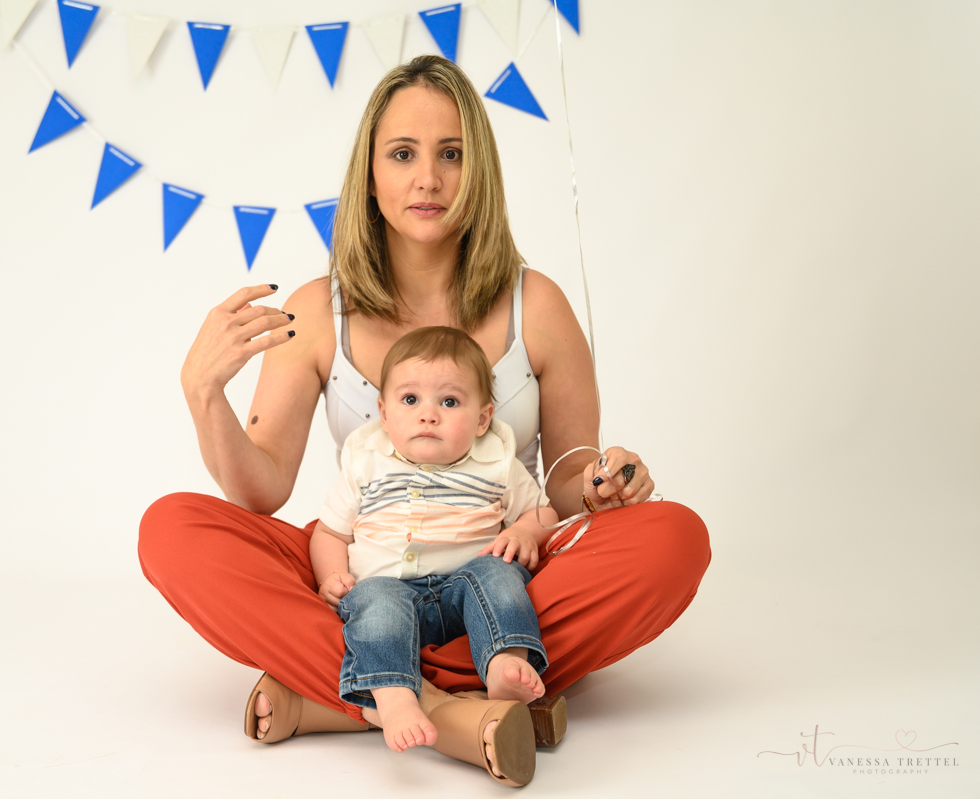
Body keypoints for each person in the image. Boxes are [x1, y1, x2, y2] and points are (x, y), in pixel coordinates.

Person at [139, 55, 710, 787]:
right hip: (370, 577)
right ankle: (473, 702)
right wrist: (202, 396)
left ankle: (349, 693)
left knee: (673, 538)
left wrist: (604, 484)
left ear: (480, 172)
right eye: (403, 154)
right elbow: (259, 491)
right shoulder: (317, 311)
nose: (428, 179)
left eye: (451, 155)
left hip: (501, 575)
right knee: (172, 530)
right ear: (369, 175)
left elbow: (569, 476)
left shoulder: (537, 305)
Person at [314, 326, 558, 773]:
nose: (428, 415)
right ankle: (394, 696)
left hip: (466, 593)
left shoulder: (495, 460)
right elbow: (330, 533)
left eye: (449, 402)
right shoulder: (367, 461)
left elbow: (543, 513)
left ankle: (505, 662)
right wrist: (332, 576)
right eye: (410, 400)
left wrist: (525, 533)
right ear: (384, 414)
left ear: (483, 418)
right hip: (387, 588)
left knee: (498, 574)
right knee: (375, 602)